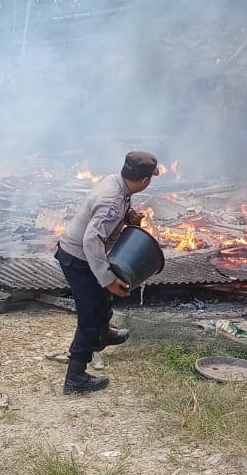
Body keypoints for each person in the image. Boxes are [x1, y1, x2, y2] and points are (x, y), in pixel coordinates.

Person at [55, 150, 160, 394]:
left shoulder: (118, 184)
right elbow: (92, 240)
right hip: (78, 258)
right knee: (89, 316)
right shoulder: (112, 200)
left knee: (102, 300)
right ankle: (75, 377)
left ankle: (103, 335)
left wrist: (128, 218)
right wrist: (108, 279)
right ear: (145, 181)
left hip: (84, 255)